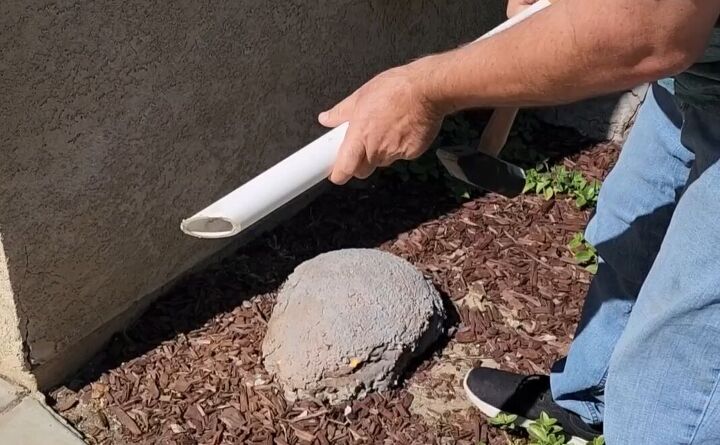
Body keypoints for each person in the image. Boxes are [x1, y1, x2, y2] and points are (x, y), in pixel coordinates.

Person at [318, 0, 720, 443]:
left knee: (680, 373)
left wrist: (424, 91)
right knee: (631, 228)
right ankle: (589, 402)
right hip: (699, 72)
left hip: (675, 37)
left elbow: (645, 31)